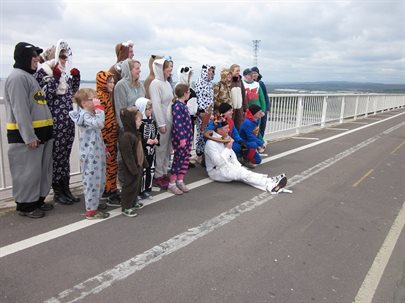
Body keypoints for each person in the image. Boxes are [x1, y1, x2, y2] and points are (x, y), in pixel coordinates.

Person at [4, 42, 54, 218]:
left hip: (42, 134)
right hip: (27, 137)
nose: (37, 59)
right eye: (33, 56)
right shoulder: (17, 78)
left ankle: (37, 200)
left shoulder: (28, 76)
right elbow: (20, 110)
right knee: (26, 172)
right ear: (24, 57)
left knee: (38, 171)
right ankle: (26, 206)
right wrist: (28, 136)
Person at [35, 39, 81, 205]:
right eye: (61, 56)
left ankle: (65, 187)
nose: (64, 59)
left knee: (65, 156)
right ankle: (57, 191)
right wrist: (54, 79)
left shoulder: (63, 74)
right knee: (57, 156)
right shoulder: (43, 73)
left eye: (65, 56)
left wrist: (75, 78)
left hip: (67, 121)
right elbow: (45, 96)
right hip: (55, 122)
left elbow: (71, 94)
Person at [204, 115, 287, 193]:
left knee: (244, 173)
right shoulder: (210, 144)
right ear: (219, 130)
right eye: (226, 128)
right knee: (242, 174)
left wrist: (238, 167)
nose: (228, 130)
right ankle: (270, 184)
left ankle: (269, 182)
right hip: (216, 172)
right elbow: (217, 162)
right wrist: (228, 149)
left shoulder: (224, 139)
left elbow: (232, 156)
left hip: (227, 166)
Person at [69, 88, 110, 220]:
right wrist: (99, 109)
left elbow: (97, 134)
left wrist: (104, 148)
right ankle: (91, 210)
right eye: (92, 99)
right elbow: (99, 124)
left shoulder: (90, 114)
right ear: (84, 103)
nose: (95, 101)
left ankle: (95, 203)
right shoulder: (85, 116)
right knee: (92, 180)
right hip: (90, 154)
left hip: (97, 152)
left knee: (100, 178)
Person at [149, 57, 174, 189]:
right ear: (161, 69)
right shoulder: (155, 83)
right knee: (161, 149)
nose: (170, 69)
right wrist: (161, 123)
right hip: (162, 121)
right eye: (168, 67)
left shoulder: (167, 83)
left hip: (170, 119)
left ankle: (165, 171)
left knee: (168, 148)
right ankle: (158, 175)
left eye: (170, 66)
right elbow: (156, 105)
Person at [118, 108, 147, 217]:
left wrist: (143, 162)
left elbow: (140, 150)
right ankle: (126, 206)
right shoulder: (126, 136)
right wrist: (133, 168)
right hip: (130, 167)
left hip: (137, 165)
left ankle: (133, 202)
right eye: (139, 120)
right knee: (129, 186)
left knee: (136, 185)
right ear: (131, 121)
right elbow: (127, 156)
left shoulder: (135, 133)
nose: (141, 122)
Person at [96, 71, 119, 204]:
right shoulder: (100, 97)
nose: (112, 84)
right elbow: (101, 122)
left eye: (112, 81)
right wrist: (104, 141)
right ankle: (110, 191)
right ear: (103, 83)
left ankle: (109, 189)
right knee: (110, 166)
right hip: (106, 139)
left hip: (110, 137)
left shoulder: (106, 95)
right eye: (109, 82)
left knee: (110, 165)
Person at [168, 83, 194, 195]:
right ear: (185, 93)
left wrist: (189, 138)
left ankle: (180, 180)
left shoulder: (184, 105)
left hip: (187, 138)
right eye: (188, 92)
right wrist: (182, 138)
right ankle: (172, 183)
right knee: (178, 160)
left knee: (185, 160)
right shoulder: (177, 106)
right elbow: (178, 124)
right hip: (181, 139)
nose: (189, 94)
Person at [135, 97, 159, 202]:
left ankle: (147, 189)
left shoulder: (153, 122)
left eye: (151, 109)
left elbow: (156, 133)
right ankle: (140, 191)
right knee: (143, 171)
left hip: (152, 150)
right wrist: (146, 141)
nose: (150, 111)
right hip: (143, 150)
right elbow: (138, 137)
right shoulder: (140, 123)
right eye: (148, 109)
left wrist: (157, 140)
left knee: (151, 170)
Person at [194, 64, 215, 165]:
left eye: (212, 71)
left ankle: (206, 155)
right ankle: (199, 154)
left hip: (210, 112)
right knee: (201, 133)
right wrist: (201, 111)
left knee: (208, 133)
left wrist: (211, 111)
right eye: (209, 70)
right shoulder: (199, 82)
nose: (210, 72)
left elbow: (211, 98)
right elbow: (198, 98)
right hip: (202, 113)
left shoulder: (211, 83)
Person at [251, 66, 270, 139]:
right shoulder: (249, 83)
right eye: (252, 73)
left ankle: (260, 142)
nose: (254, 74)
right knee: (255, 126)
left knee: (262, 125)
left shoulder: (261, 83)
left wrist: (267, 108)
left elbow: (265, 96)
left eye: (256, 73)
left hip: (262, 108)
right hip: (254, 110)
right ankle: (256, 142)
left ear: (258, 74)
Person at [229, 64, 246, 130]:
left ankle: (238, 139)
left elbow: (243, 94)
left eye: (239, 71)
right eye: (237, 71)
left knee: (239, 125)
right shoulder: (229, 81)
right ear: (231, 71)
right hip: (231, 109)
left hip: (239, 108)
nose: (238, 72)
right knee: (230, 126)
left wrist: (245, 108)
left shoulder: (240, 81)